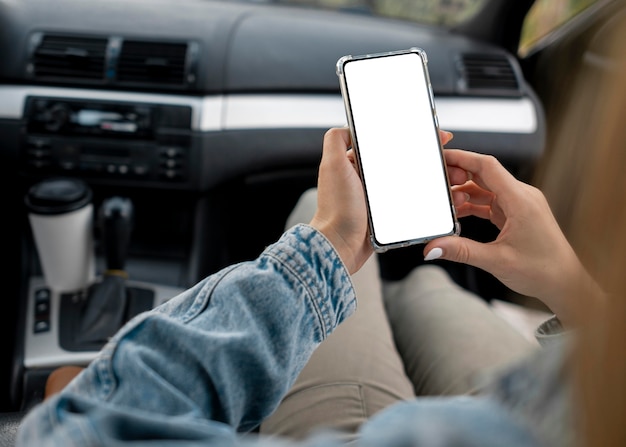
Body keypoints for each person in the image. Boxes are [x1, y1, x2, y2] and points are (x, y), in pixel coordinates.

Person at [17, 23, 626, 446]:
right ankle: (412, 277)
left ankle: (383, 265)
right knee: (429, 285)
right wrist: (577, 295)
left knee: (329, 213)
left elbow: (79, 428)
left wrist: (328, 247)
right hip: (558, 413)